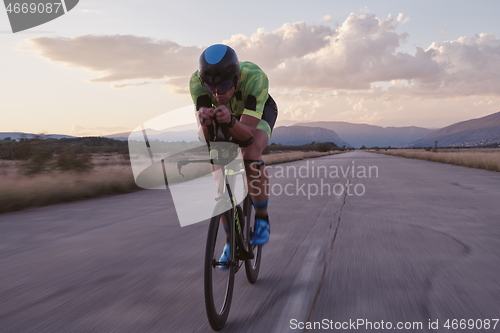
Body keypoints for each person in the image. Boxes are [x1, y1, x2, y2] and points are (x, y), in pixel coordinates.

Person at [190, 44, 278, 263]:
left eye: (226, 85)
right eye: (211, 88)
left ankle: (262, 219)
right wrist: (205, 121)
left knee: (250, 154)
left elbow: (247, 135)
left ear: (237, 79)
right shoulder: (196, 82)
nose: (219, 93)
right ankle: (230, 242)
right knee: (219, 182)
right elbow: (207, 139)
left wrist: (229, 120)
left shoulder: (255, 78)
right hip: (224, 116)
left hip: (258, 113)